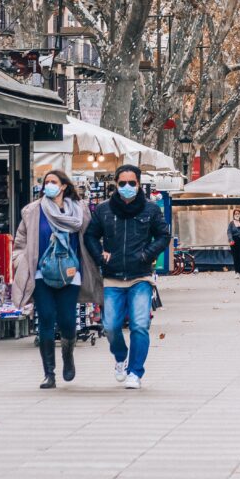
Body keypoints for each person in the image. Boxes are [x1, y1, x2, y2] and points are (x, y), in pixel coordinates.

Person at [12, 169, 102, 389]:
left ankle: (68, 354)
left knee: (67, 321)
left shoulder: (79, 210)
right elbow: (20, 240)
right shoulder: (32, 211)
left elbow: (89, 236)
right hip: (42, 273)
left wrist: (99, 257)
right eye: (46, 182)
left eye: (53, 182)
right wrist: (19, 261)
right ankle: (49, 374)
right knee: (46, 319)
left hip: (71, 273)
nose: (48, 185)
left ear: (63, 186)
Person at [84, 164, 170, 389]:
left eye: (132, 183)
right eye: (122, 183)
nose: (127, 187)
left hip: (140, 276)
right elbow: (90, 236)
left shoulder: (151, 210)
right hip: (112, 277)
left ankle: (135, 372)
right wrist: (100, 256)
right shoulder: (104, 210)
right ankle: (120, 357)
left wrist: (147, 254)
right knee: (111, 326)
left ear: (139, 184)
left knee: (139, 325)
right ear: (116, 184)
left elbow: (163, 236)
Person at [227, 210, 240, 277]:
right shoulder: (231, 223)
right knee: (236, 257)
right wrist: (231, 239)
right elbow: (229, 232)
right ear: (233, 215)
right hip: (234, 241)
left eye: (238, 213)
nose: (237, 215)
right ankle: (237, 272)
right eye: (235, 214)